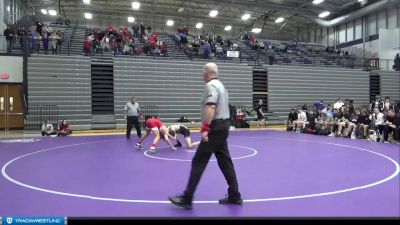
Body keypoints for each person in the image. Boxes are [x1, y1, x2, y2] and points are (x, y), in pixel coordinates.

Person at [169, 63, 242, 209]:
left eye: (204, 73)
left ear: (208, 73)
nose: (203, 76)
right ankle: (235, 195)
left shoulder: (211, 86)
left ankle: (187, 198)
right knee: (225, 161)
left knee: (199, 161)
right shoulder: (222, 86)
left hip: (214, 128)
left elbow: (211, 106)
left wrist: (205, 128)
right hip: (223, 127)